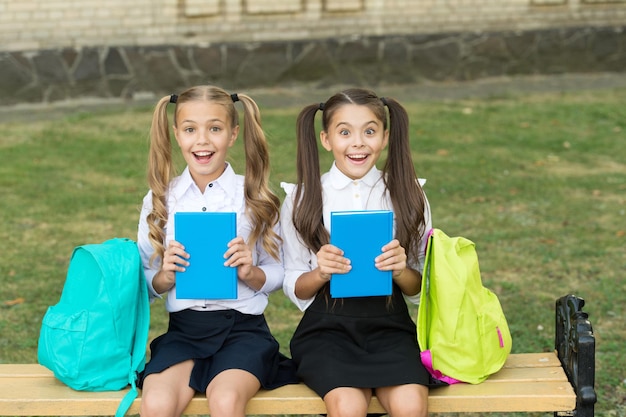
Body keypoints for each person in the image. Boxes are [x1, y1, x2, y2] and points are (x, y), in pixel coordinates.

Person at [137, 85, 296, 417]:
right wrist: (164, 276)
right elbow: (146, 279)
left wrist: (251, 272)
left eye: (215, 128)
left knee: (225, 401)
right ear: (177, 134)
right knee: (156, 403)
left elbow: (282, 270)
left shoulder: (254, 197)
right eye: (190, 129)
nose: (202, 140)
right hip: (184, 330)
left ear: (233, 134)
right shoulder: (160, 200)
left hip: (243, 331)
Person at [281, 88, 433, 417]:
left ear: (385, 136)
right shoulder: (302, 198)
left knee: (411, 405)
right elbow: (293, 283)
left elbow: (419, 285)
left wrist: (401, 269)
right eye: (345, 132)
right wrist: (320, 272)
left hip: (390, 327)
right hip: (328, 330)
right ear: (326, 139)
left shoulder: (409, 195)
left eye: (369, 131)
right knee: (347, 406)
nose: (358, 143)